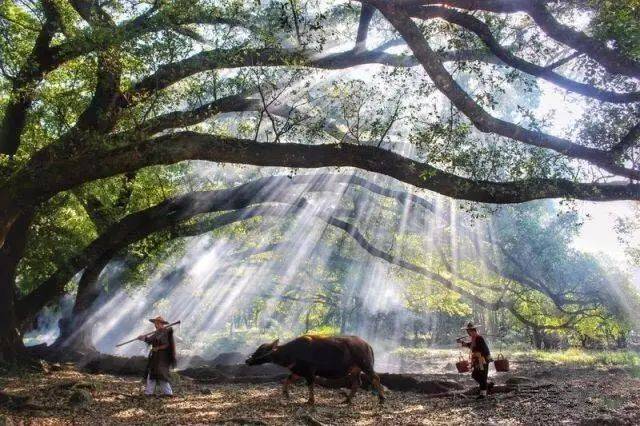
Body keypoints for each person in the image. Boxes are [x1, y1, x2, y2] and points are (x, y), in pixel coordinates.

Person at [138, 316, 177, 396]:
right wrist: (143, 338)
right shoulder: (157, 332)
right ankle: (149, 393)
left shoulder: (165, 332)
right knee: (152, 374)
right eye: (155, 323)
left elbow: (167, 345)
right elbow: (150, 340)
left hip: (163, 358)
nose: (156, 325)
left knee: (162, 375)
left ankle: (168, 393)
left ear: (162, 324)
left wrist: (157, 348)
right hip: (155, 358)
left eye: (158, 323)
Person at [457, 322, 494, 399]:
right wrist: (462, 342)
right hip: (478, 360)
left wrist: (478, 354)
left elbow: (484, 350)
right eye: (468, 332)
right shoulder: (475, 338)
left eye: (469, 331)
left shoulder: (479, 338)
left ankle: (483, 394)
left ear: (472, 331)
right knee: (475, 375)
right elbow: (471, 345)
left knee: (482, 376)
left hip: (482, 360)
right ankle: (487, 386)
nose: (468, 333)